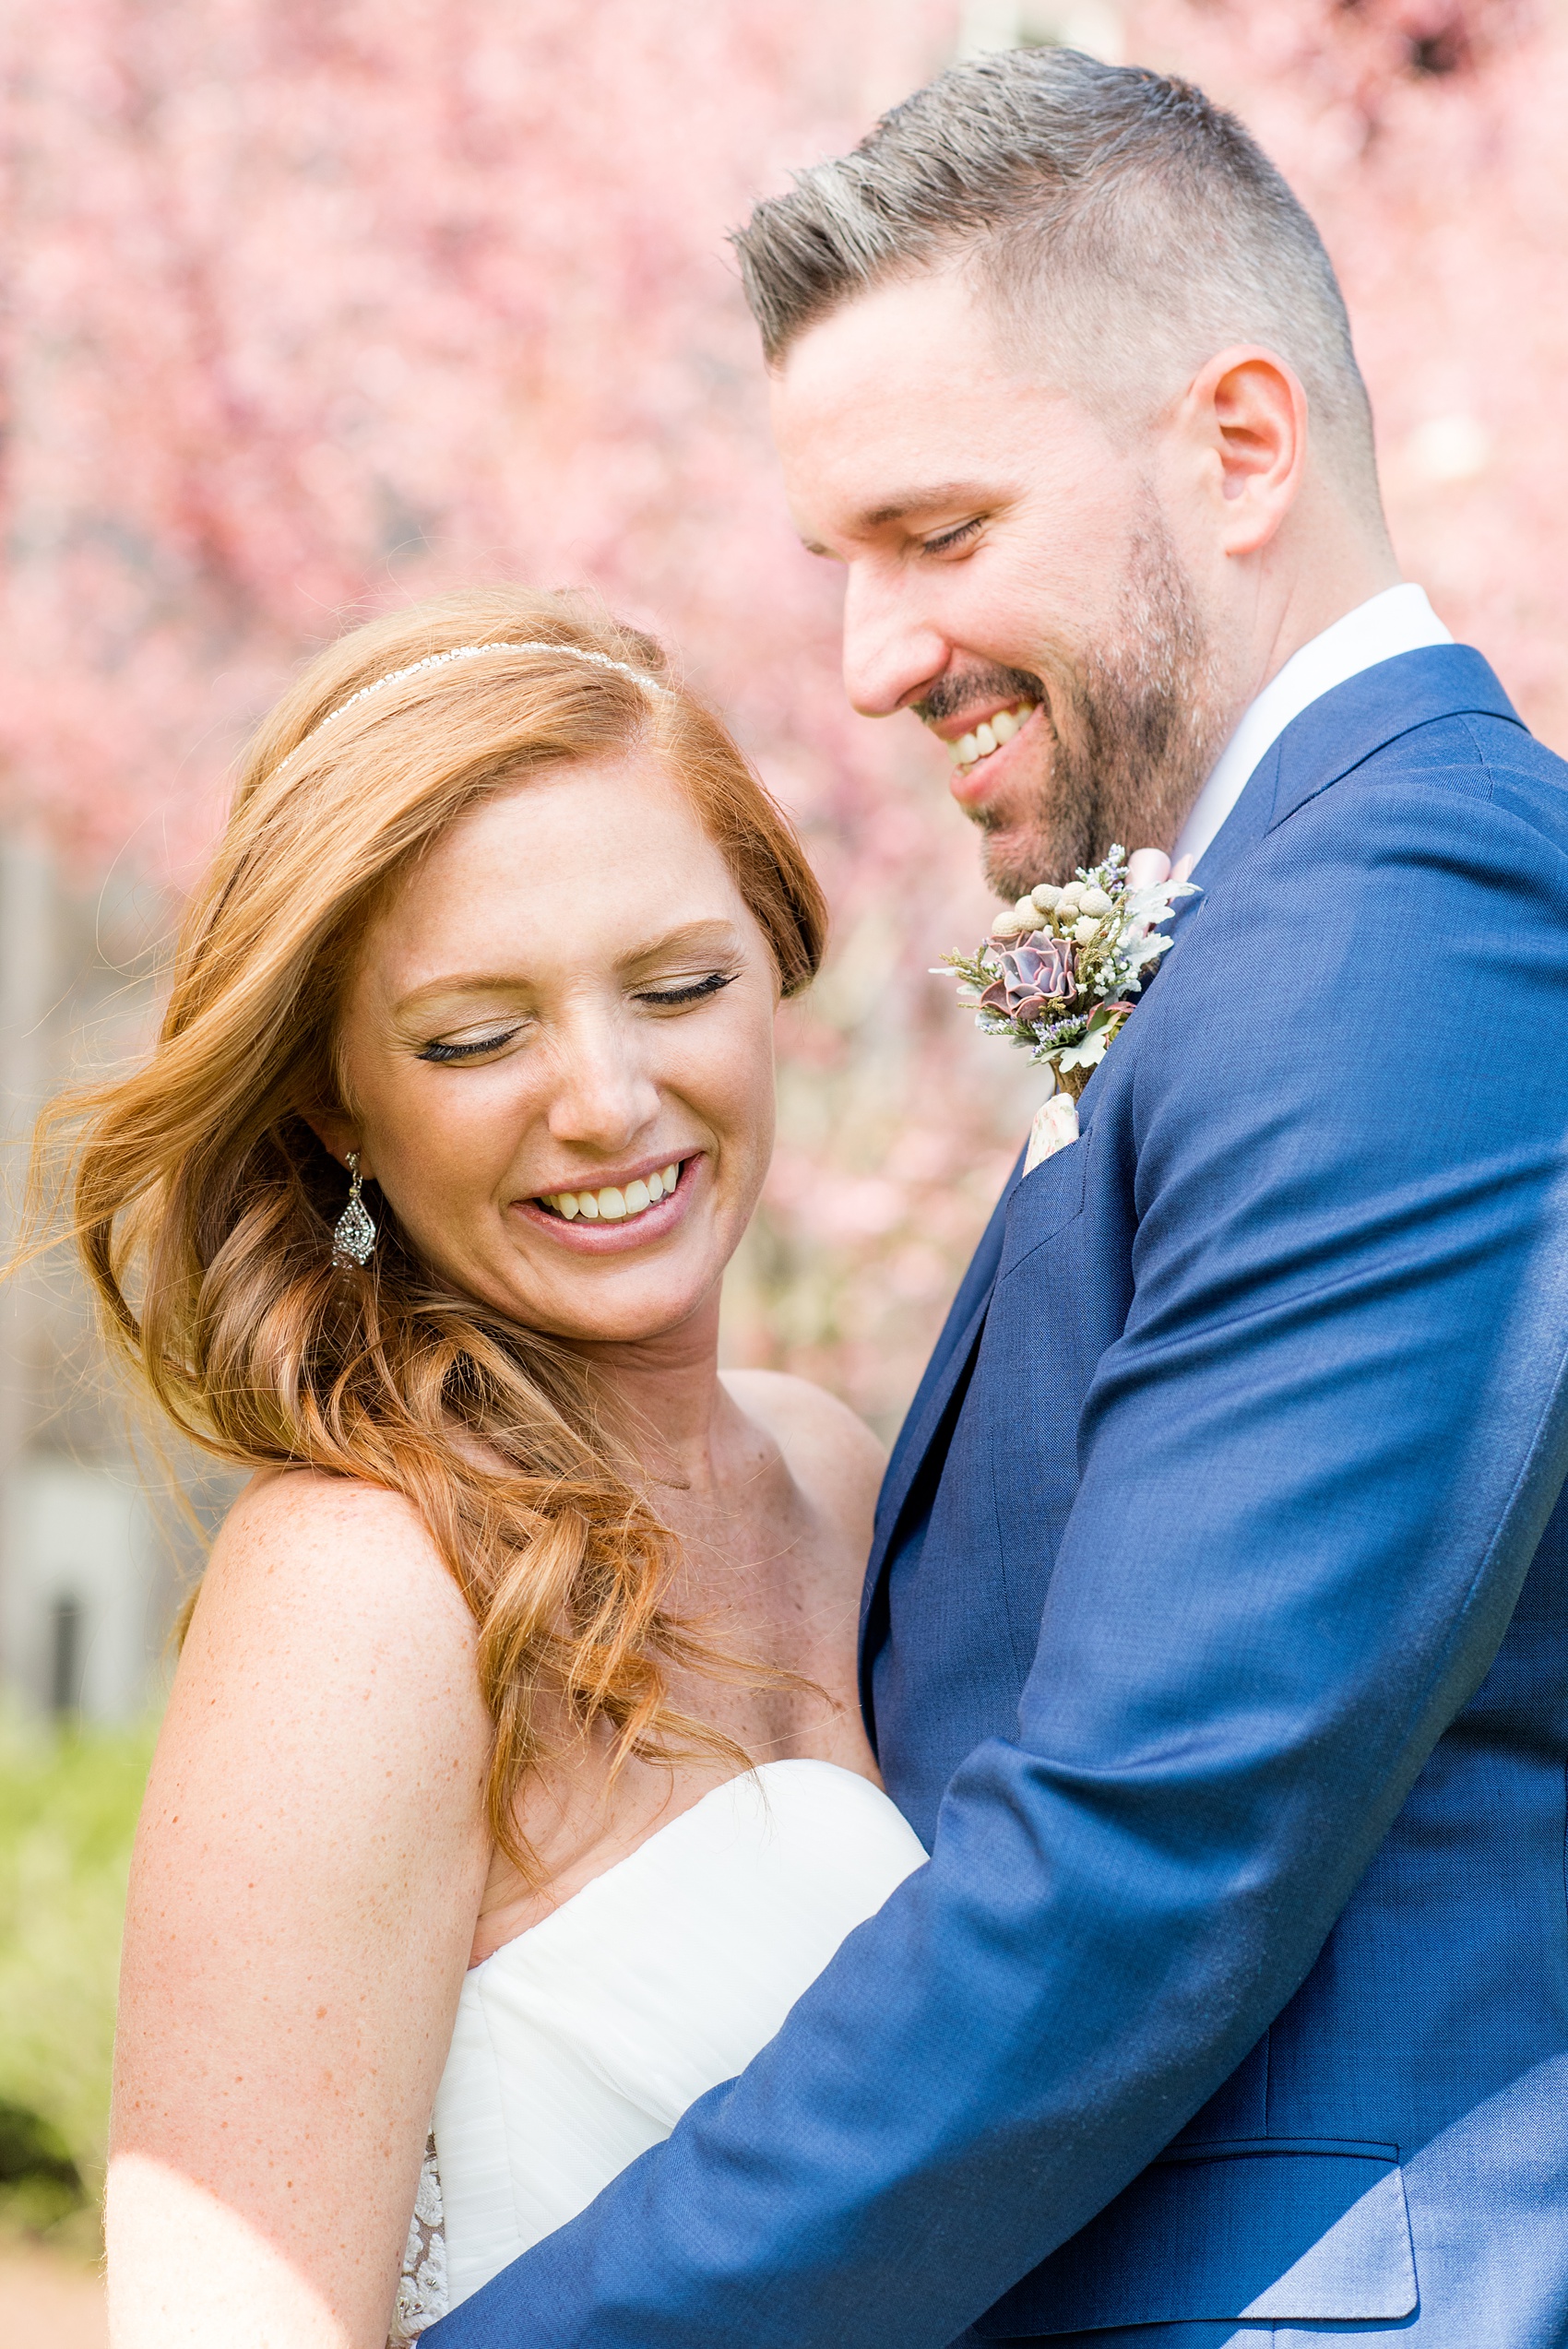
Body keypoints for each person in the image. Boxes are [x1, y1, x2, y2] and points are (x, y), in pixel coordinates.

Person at [424, 45, 1568, 2349]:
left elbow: (1150, 1845)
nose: (870, 659)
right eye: (837, 563)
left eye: (939, 536)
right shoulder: (1278, 911)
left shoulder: (1403, 914)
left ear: (1241, 445)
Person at [87, 587, 928, 2347]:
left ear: (773, 960)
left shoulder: (836, 1476)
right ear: (333, 1104)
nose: (609, 1098)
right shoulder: (368, 1589)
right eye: (478, 1035)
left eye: (678, 984)